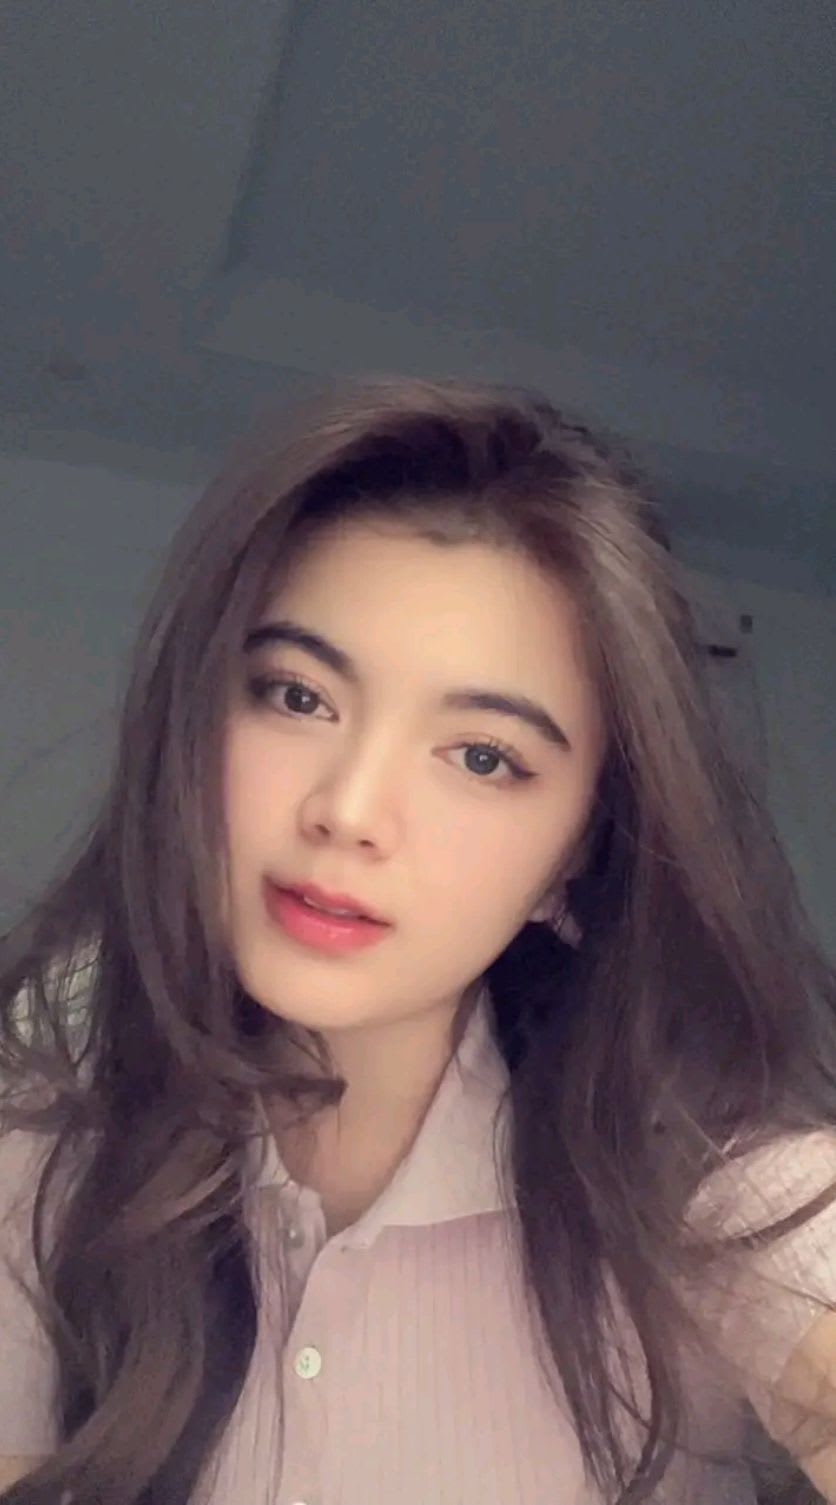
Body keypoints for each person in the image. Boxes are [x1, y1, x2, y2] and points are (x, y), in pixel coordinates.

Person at [1, 376, 835, 1505]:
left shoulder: (699, 1189)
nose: (349, 809)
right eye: (297, 695)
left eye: (482, 756)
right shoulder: (51, 1134)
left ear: (574, 854)